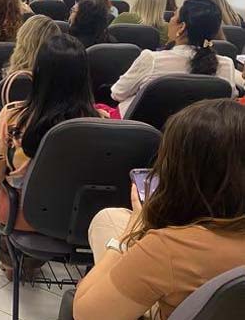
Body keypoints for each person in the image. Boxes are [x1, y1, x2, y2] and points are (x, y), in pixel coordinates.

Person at [74, 99, 245, 320]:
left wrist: (126, 238)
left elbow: (85, 314)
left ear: (179, 173)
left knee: (111, 225)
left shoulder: (167, 249)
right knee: (109, 217)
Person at [0, 34, 109, 278]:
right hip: (82, 217)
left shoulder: (12, 117)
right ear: (85, 77)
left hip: (23, 217)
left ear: (37, 73)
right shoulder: (103, 122)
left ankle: (11, 262)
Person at [111, 0, 242, 117]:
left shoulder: (152, 60)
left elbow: (118, 93)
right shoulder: (227, 65)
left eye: (174, 16)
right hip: (201, 139)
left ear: (182, 27)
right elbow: (230, 101)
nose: (170, 20)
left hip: (145, 138)